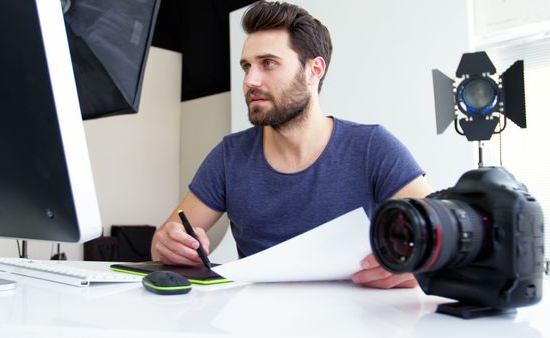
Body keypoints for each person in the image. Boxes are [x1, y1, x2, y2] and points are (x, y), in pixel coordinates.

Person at [151, 1, 431, 289]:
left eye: (268, 63)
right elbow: (164, 240)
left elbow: (440, 235)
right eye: (246, 66)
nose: (250, 80)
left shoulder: (372, 147)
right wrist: (168, 244)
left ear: (314, 70)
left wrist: (419, 263)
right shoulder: (229, 156)